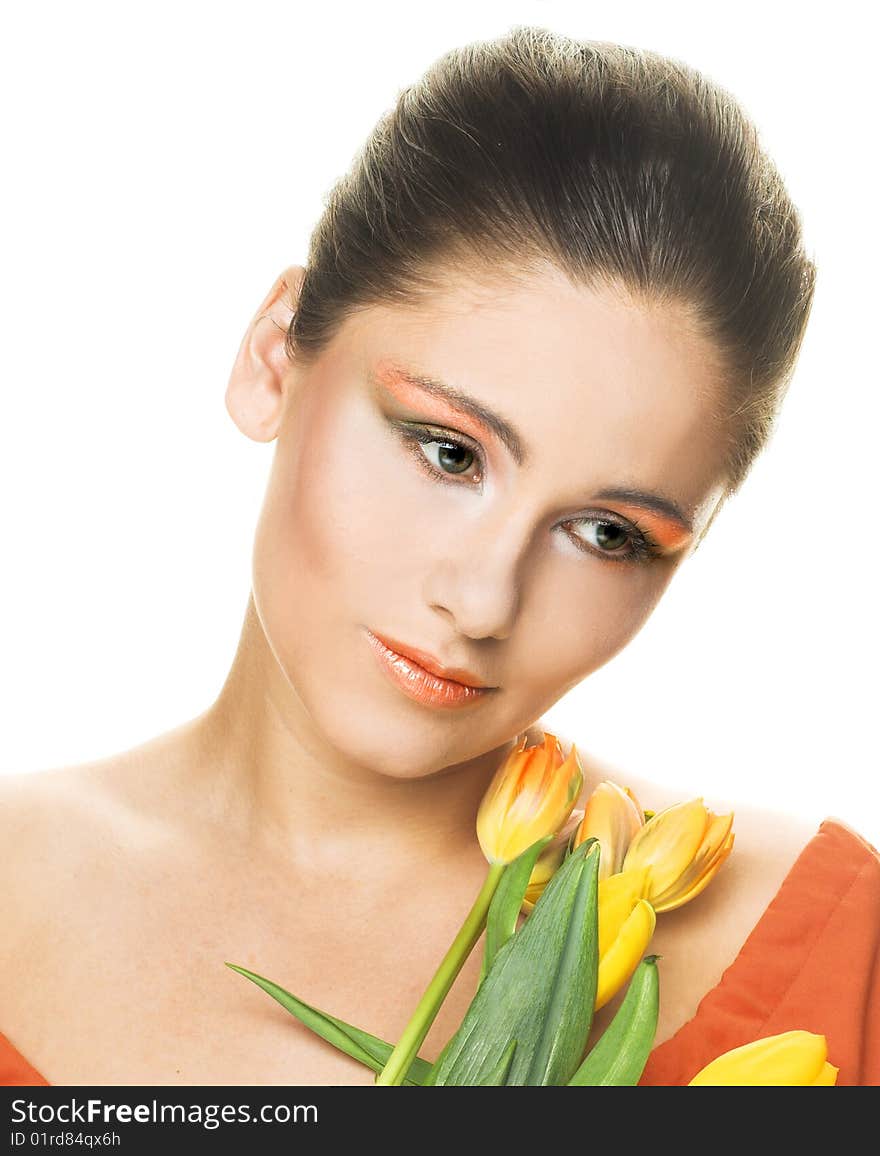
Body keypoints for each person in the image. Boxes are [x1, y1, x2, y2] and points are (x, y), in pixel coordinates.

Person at [1, 25, 877, 1088]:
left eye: (608, 534)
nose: (481, 598)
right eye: (448, 451)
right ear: (277, 353)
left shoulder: (833, 957)